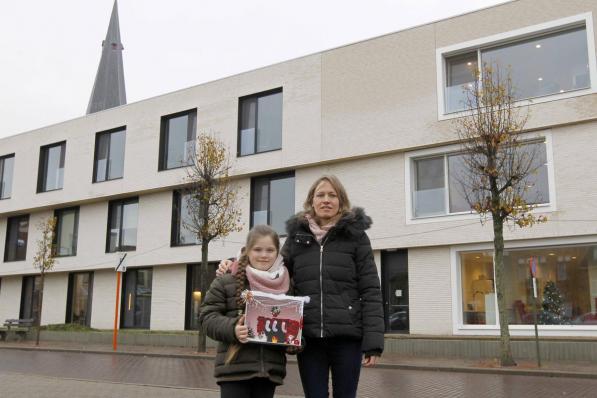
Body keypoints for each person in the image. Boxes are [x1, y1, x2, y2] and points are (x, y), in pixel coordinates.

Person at [219, 175, 384, 398]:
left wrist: (373, 342)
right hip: (309, 338)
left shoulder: (357, 237)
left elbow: (371, 289)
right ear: (312, 201)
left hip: (347, 338)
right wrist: (234, 262)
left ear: (341, 201)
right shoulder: (298, 236)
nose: (326, 200)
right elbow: (270, 265)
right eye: (320, 195)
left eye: (332, 195)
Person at [199, 225, 290, 398]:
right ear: (247, 251)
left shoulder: (285, 284)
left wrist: (295, 342)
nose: (264, 255)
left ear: (277, 253)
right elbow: (206, 317)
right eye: (257, 249)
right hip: (233, 369)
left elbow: (295, 326)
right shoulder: (226, 281)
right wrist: (233, 328)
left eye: (270, 250)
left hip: (269, 372)